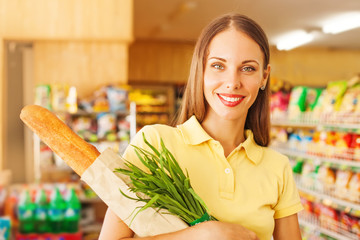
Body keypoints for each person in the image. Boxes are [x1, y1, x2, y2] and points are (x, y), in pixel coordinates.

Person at [99, 13, 303, 240]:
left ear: (264, 77)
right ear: (201, 70)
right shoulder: (154, 144)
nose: (232, 82)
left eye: (247, 69)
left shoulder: (278, 167)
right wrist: (203, 234)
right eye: (218, 65)